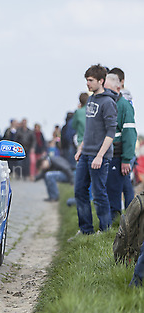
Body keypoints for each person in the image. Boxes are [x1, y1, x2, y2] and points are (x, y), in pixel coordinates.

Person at [73, 64, 117, 237]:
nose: (88, 84)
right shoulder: (90, 100)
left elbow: (110, 133)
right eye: (87, 80)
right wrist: (81, 148)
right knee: (79, 191)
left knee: (99, 194)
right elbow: (90, 130)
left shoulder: (108, 102)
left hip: (100, 156)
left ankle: (104, 231)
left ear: (101, 81)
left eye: (90, 81)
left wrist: (100, 155)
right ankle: (86, 230)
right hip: (85, 154)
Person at [104, 73, 137, 221]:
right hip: (111, 154)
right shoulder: (110, 103)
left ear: (118, 88)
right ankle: (126, 221)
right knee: (119, 188)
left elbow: (130, 134)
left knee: (115, 190)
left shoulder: (123, 106)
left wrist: (126, 159)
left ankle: (116, 223)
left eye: (108, 88)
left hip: (118, 155)